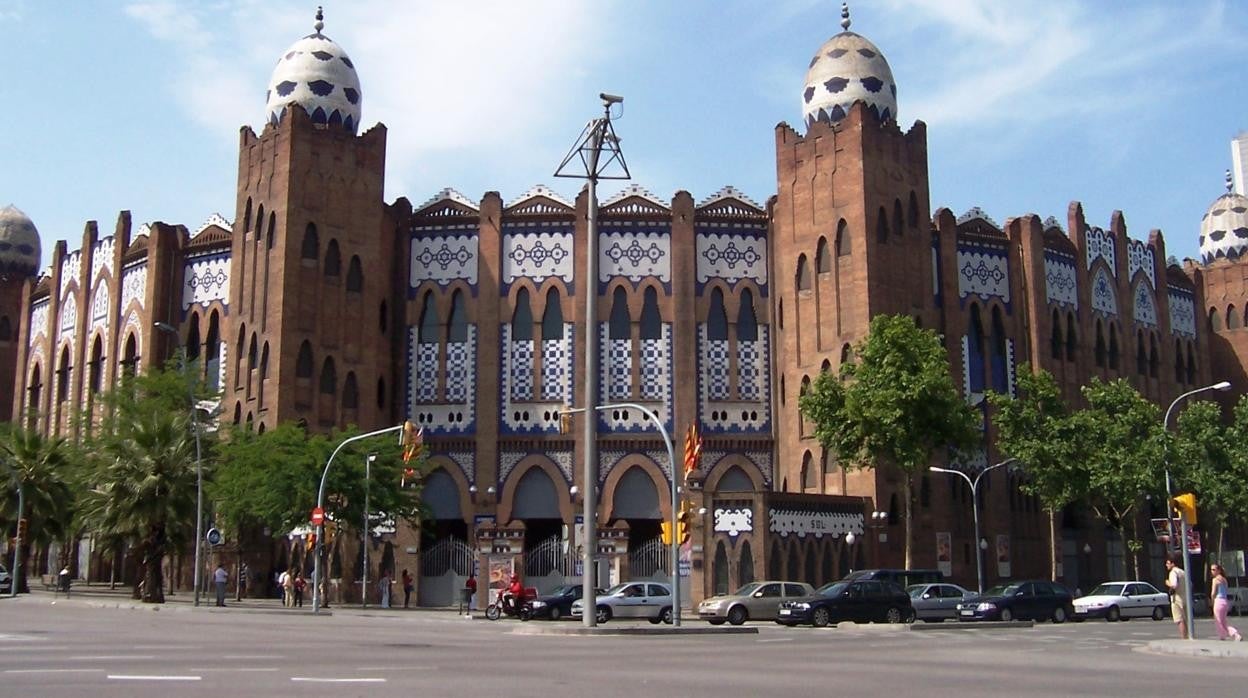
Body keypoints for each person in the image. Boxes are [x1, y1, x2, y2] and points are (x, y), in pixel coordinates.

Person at [1211, 563, 1242, 641]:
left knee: (1218, 621)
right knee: (1223, 621)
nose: (1212, 571)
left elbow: (1213, 593)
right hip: (1225, 601)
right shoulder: (1224, 580)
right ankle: (1235, 634)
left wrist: (1212, 600)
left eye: (1214, 569)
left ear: (1219, 570)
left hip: (1218, 601)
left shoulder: (1215, 580)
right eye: (1211, 569)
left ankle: (1223, 636)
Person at [1165, 554, 1189, 639]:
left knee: (1179, 619)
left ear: (1173, 563)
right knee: (1186, 619)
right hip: (1186, 598)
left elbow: (1174, 585)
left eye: (1168, 563)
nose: (1166, 565)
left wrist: (1168, 583)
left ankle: (1184, 637)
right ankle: (1188, 636)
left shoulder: (1173, 572)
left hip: (1177, 599)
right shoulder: (1182, 572)